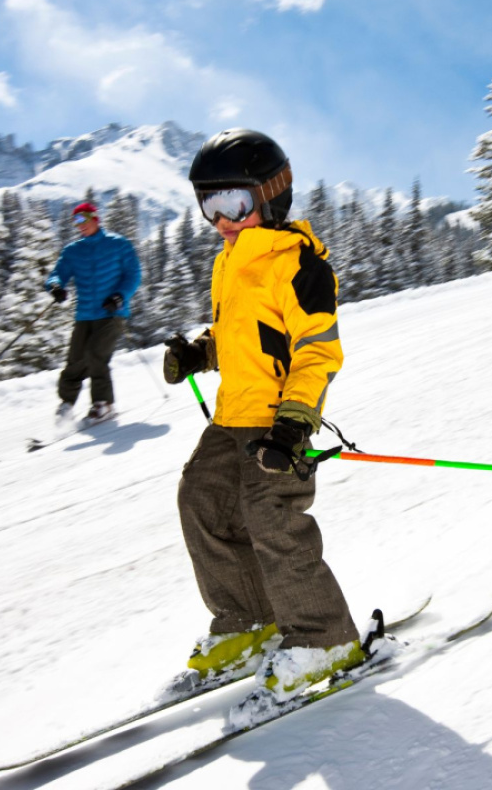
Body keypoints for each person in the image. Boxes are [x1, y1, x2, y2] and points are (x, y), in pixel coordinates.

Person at [161, 129, 362, 701]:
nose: (222, 220)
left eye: (235, 204)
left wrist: (294, 424)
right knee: (201, 501)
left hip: (278, 422)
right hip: (232, 415)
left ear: (271, 196)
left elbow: (317, 350)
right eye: (210, 206)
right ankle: (247, 621)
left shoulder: (299, 265)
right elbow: (241, 336)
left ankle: (324, 637)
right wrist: (201, 353)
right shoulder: (230, 261)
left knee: (272, 519)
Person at [44, 201, 142, 422]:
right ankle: (67, 403)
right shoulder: (73, 251)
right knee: (75, 359)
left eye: (84, 219)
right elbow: (57, 274)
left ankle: (103, 403)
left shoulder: (118, 244)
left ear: (95, 219)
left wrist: (119, 296)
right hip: (85, 314)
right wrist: (56, 287)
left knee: (96, 354)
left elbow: (133, 275)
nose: (80, 224)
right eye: (76, 221)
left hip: (112, 312)